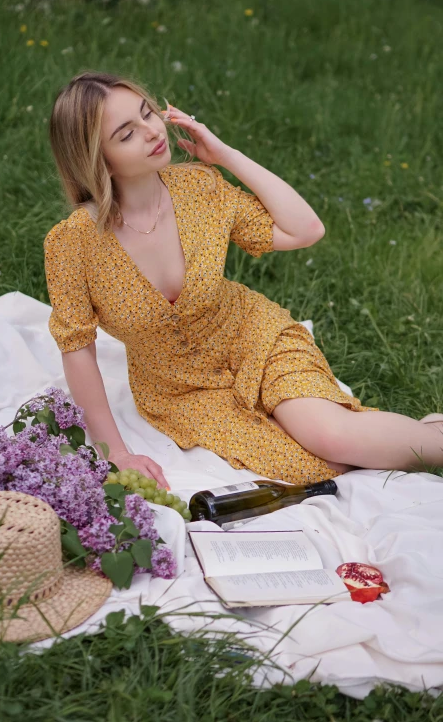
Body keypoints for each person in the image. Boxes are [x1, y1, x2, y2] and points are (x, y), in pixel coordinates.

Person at [44, 71, 443, 490]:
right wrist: (118, 453)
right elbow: (77, 350)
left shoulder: (199, 187)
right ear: (97, 157)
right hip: (181, 389)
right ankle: (427, 430)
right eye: (127, 133)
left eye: (148, 113)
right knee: (314, 467)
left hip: (251, 335)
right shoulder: (72, 243)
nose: (151, 132)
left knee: (331, 436)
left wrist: (227, 156)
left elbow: (305, 230)